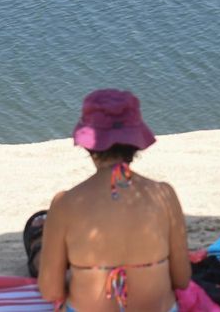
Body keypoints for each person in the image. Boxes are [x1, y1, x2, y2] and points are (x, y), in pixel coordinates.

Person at [38, 89, 191, 312]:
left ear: (88, 144)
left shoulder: (65, 204)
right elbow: (182, 279)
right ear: (135, 142)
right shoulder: (164, 195)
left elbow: (50, 291)